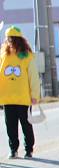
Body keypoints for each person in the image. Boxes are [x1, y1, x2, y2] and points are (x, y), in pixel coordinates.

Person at [0, 26, 40, 159]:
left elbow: (33, 76)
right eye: (7, 38)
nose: (9, 41)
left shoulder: (26, 56)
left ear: (18, 40)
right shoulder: (3, 54)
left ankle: (29, 149)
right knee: (10, 126)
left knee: (26, 126)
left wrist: (35, 95)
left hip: (24, 98)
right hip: (7, 98)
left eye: (11, 38)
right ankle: (13, 150)